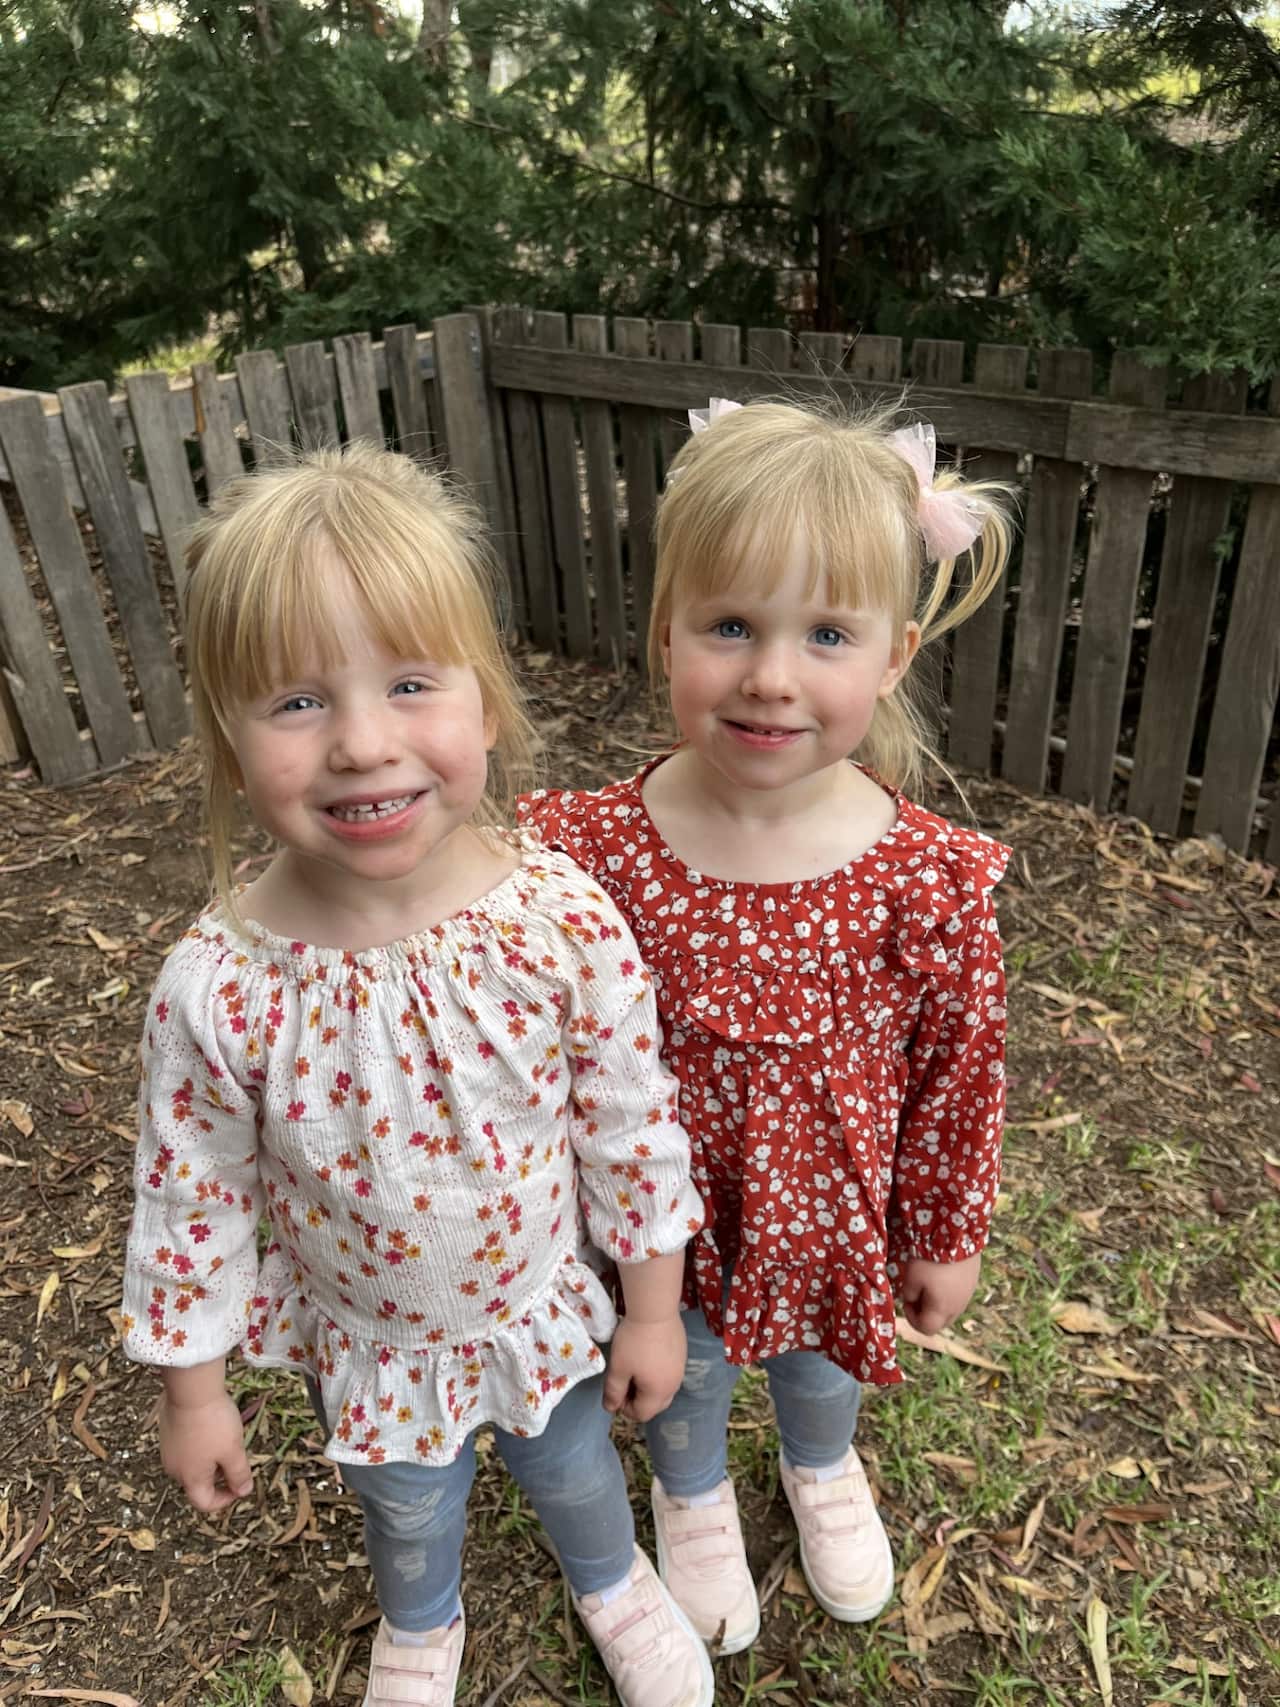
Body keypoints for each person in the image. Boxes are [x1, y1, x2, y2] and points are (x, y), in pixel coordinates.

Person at [120, 444, 713, 1707]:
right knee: (405, 1506)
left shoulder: (556, 921)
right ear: (226, 740)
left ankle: (610, 1581)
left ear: (483, 702)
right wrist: (195, 1394)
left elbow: (632, 1129)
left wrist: (652, 1308)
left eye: (405, 682)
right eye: (294, 702)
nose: (359, 743)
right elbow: (191, 1202)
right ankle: (420, 1626)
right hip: (373, 1347)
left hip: (540, 1310)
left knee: (574, 1475)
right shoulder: (220, 985)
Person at [521, 395, 1014, 1656]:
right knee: (678, 1365)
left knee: (815, 1365)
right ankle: (689, 1497)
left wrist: (943, 1231)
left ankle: (819, 1464)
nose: (770, 675)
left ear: (894, 656)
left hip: (827, 1213)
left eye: (825, 634)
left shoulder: (922, 875)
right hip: (659, 1227)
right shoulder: (589, 851)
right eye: (729, 625)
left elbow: (958, 1072)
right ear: (666, 629)